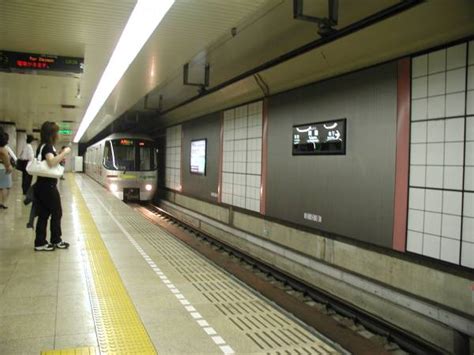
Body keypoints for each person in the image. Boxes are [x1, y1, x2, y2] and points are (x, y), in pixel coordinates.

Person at [34, 121, 71, 251]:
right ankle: (56, 240)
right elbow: (51, 162)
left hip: (41, 185)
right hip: (47, 186)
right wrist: (64, 153)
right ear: (52, 134)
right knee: (57, 212)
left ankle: (40, 242)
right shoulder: (48, 147)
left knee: (44, 214)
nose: (59, 135)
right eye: (57, 132)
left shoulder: (42, 146)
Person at [0, 131, 13, 209]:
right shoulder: (3, 149)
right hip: (2, 168)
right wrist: (9, 167)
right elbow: (7, 162)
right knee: (5, 186)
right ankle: (3, 203)